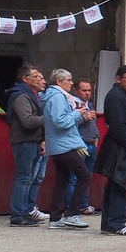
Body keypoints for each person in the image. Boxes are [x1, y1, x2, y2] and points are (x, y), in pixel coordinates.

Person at [40, 68, 94, 229]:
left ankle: (56, 218)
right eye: (69, 80)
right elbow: (60, 122)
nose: (71, 83)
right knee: (84, 176)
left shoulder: (56, 96)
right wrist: (77, 114)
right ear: (59, 82)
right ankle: (72, 214)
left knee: (62, 181)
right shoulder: (57, 97)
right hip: (64, 145)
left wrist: (78, 116)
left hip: (59, 145)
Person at [95, 66, 126, 236]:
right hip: (120, 147)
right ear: (118, 79)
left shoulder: (121, 95)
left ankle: (110, 223)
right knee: (119, 183)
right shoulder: (116, 96)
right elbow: (117, 125)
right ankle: (116, 223)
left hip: (123, 144)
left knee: (115, 185)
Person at [6, 64, 48, 226]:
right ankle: (17, 215)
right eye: (36, 76)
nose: (40, 79)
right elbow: (28, 121)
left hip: (32, 141)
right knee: (23, 178)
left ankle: (24, 212)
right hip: (24, 142)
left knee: (29, 178)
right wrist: (48, 118)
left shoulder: (31, 94)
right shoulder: (21, 96)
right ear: (25, 79)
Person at [64, 77, 100, 215]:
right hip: (79, 144)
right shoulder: (72, 104)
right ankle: (71, 206)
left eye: (89, 90)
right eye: (84, 90)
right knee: (74, 178)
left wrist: (97, 136)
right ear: (76, 90)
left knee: (86, 177)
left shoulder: (89, 104)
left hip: (91, 143)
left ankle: (83, 205)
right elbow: (67, 123)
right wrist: (82, 118)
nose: (87, 93)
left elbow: (93, 123)